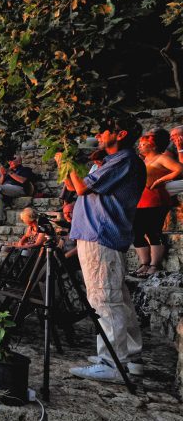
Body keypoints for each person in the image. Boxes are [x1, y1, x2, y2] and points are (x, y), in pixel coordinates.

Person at [56, 115, 146, 383]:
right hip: (96, 233)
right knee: (117, 297)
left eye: (103, 130)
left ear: (120, 134)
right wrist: (64, 165)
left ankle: (113, 362)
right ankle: (130, 357)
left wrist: (71, 161)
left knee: (104, 299)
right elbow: (74, 186)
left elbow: (82, 187)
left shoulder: (125, 159)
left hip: (101, 234)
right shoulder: (109, 161)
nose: (98, 133)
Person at [132, 129, 183, 277]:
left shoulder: (161, 158)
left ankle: (154, 265)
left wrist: (161, 180)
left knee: (153, 231)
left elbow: (180, 169)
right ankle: (144, 264)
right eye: (140, 144)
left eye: (143, 144)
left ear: (153, 146)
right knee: (137, 232)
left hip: (156, 200)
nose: (140, 146)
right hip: (141, 200)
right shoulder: (144, 160)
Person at [168, 126, 183, 195]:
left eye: (174, 135)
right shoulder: (173, 146)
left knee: (164, 189)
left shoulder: (179, 146)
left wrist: (180, 149)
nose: (171, 139)